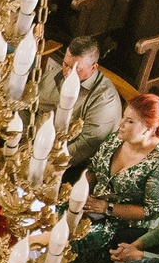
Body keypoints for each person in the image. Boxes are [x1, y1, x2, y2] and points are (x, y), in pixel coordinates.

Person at [67, 94, 159, 263]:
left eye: (130, 121)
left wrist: (106, 208)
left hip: (125, 226)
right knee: (51, 219)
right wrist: (81, 192)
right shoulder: (116, 139)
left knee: (72, 240)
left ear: (149, 128)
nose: (121, 124)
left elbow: (150, 211)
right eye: (124, 118)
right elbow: (93, 169)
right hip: (91, 205)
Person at [33, 33, 125, 172]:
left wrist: (45, 162)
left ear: (93, 68)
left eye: (77, 69)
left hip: (71, 164)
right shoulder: (55, 76)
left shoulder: (104, 100)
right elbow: (31, 105)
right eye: (65, 64)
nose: (67, 73)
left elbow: (85, 146)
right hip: (35, 145)